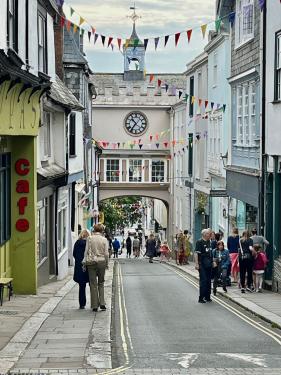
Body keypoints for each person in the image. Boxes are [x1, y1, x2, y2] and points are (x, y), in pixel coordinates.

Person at [83, 224, 109, 312]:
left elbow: (86, 251)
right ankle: (102, 303)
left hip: (91, 262)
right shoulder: (104, 239)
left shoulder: (89, 238)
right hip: (102, 262)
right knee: (101, 283)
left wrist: (84, 261)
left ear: (94, 230)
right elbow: (106, 254)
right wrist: (107, 263)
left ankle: (94, 305)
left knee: (93, 284)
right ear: (102, 231)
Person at [195, 229, 213, 303]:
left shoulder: (209, 242)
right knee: (203, 281)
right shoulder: (199, 242)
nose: (210, 235)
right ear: (205, 234)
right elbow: (196, 253)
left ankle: (207, 297)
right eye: (209, 234)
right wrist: (196, 264)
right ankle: (201, 298)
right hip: (202, 264)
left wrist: (213, 261)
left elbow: (211, 253)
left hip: (209, 264)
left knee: (209, 281)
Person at [73, 229, 90, 309]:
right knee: (92, 285)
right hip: (87, 266)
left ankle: (82, 304)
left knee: (82, 286)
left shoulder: (77, 243)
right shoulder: (88, 243)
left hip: (79, 267)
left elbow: (74, 254)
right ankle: (94, 304)